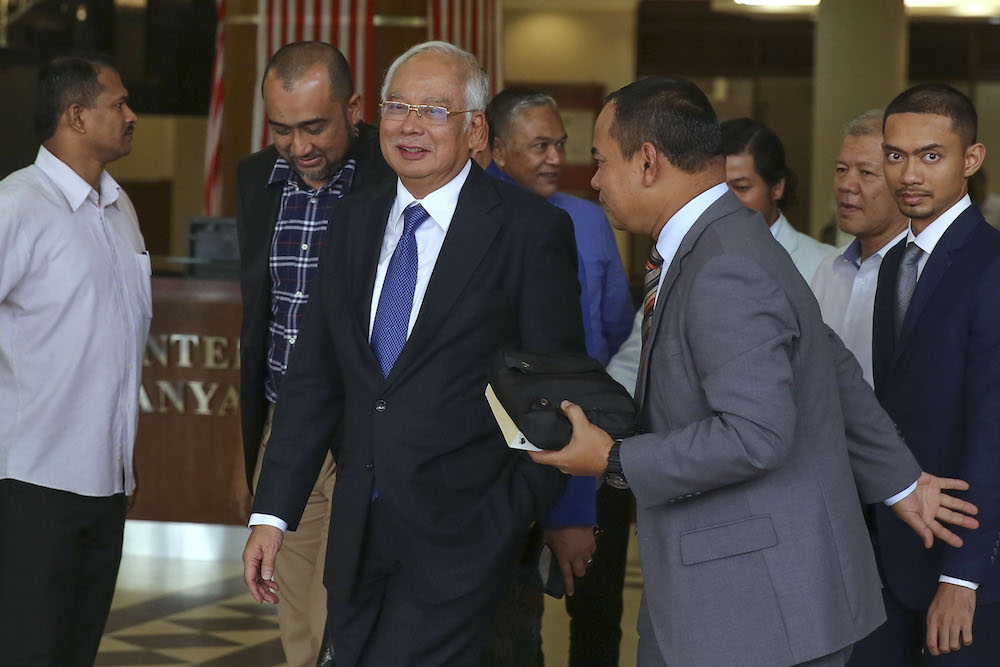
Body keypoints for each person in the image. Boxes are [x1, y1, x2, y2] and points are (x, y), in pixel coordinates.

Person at [530, 76, 980, 667]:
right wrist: (900, 481)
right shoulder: (725, 238)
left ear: (647, 162)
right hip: (747, 592)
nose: (592, 180)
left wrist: (612, 460)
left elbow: (754, 435)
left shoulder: (723, 263)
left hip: (751, 606)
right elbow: (828, 362)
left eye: (600, 161)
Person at [242, 41, 586, 665]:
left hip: (465, 540)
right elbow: (313, 378)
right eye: (397, 106)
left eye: (433, 109)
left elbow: (554, 397)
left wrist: (505, 520)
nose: (409, 124)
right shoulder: (353, 220)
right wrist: (272, 514)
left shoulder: (529, 232)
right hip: (356, 535)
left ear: (475, 129)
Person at [233, 41, 392, 666]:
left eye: (314, 127)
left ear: (354, 108)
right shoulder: (255, 179)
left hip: (366, 431)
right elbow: (262, 310)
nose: (298, 147)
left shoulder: (396, 174)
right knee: (297, 613)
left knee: (356, 610)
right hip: (287, 428)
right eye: (281, 129)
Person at [0, 53, 148, 665]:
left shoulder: (120, 209)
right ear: (75, 116)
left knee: (74, 653)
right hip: (32, 486)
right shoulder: (17, 205)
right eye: (118, 104)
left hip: (107, 487)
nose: (132, 115)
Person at [850, 83, 1000, 666]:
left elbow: (994, 430)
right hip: (892, 554)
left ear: (971, 159)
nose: (908, 173)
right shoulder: (892, 267)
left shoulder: (991, 266)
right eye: (895, 155)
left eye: (930, 156)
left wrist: (964, 581)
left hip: (970, 567)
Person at [485, 85, 634, 666]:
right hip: (501, 454)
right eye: (539, 145)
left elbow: (616, 326)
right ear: (497, 149)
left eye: (561, 144)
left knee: (595, 610)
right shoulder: (480, 220)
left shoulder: (588, 221)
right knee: (509, 623)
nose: (555, 157)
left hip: (585, 443)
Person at [810, 110, 908, 387]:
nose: (846, 185)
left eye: (866, 172)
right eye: (841, 170)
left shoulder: (920, 275)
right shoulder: (829, 269)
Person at [721, 117, 834, 282]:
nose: (727, 200)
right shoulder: (692, 255)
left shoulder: (822, 265)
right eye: (719, 189)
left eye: (742, 187)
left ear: (777, 188)